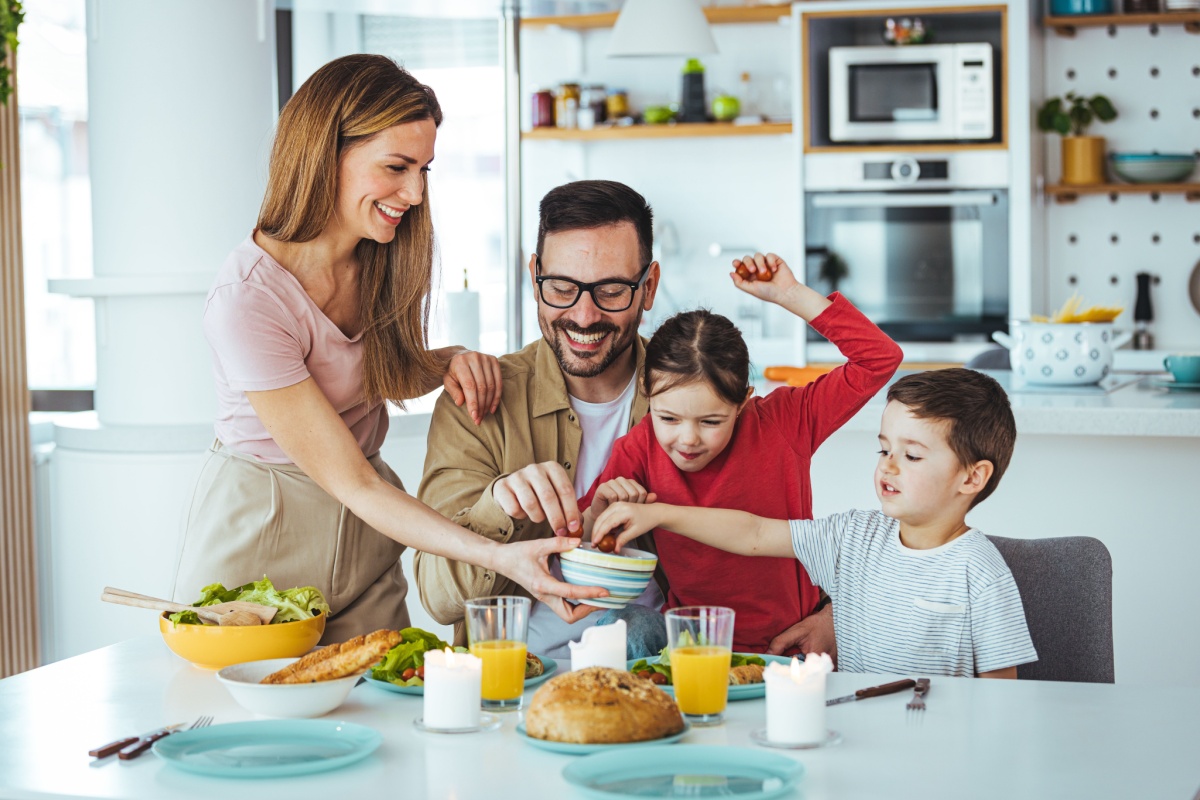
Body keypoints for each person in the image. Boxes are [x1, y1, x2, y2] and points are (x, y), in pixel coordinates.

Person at [170, 54, 605, 644]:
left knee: (384, 710)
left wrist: (444, 360)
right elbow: (352, 482)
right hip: (267, 529)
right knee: (255, 724)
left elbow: (363, 373)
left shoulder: (377, 255)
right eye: (397, 166)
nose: (416, 193)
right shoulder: (248, 301)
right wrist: (499, 557)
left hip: (364, 533)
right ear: (327, 153)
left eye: (425, 168)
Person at [593, 368, 1038, 678]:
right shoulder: (852, 537)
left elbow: (1001, 695)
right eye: (884, 450)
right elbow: (754, 532)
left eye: (913, 455)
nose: (889, 468)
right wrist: (659, 514)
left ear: (973, 476)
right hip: (853, 735)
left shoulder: (980, 571)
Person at [577, 252, 904, 655]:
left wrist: (792, 294)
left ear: (744, 401)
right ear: (647, 397)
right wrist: (598, 512)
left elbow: (879, 359)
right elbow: (582, 533)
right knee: (621, 628)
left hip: (787, 646)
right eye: (669, 418)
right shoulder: (638, 447)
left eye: (711, 422)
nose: (688, 439)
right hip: (690, 649)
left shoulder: (784, 422)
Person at [414, 180, 676, 659]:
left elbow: (759, 531)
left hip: (663, 673)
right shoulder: (477, 403)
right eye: (561, 287)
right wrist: (499, 505)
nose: (583, 315)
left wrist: (824, 612)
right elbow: (437, 596)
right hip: (512, 683)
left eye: (612, 290)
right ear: (533, 274)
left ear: (650, 286)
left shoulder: (692, 398)